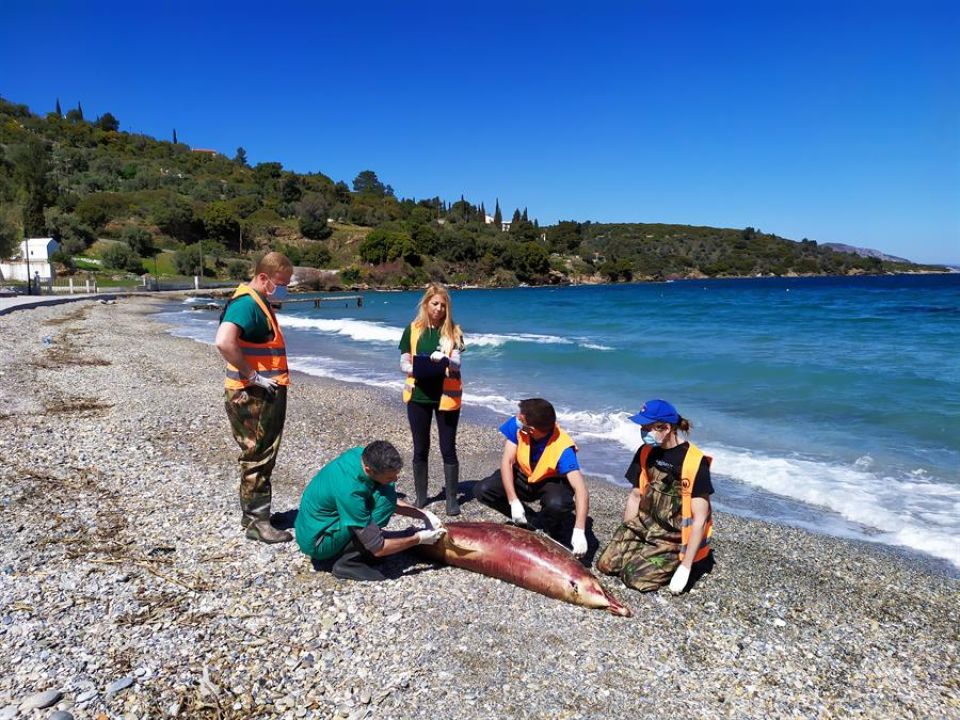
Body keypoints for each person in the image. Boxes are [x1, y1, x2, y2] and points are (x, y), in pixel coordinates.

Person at [215, 251, 295, 544]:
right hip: (254, 395)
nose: (285, 289)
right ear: (264, 278)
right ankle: (258, 523)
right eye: (282, 283)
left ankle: (252, 515)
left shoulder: (257, 302)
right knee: (259, 456)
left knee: (258, 455)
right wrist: (253, 375)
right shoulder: (248, 303)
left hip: (259, 393)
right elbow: (224, 341)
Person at [597, 399, 714, 594]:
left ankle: (676, 564)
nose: (643, 432)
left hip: (672, 538)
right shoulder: (645, 451)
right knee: (606, 565)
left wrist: (685, 567)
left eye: (647, 427)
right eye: (642, 427)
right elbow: (635, 495)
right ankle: (643, 552)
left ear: (666, 428)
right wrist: (626, 532)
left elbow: (700, 519)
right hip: (644, 527)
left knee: (633, 577)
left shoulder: (694, 462)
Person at [294, 441, 447, 581]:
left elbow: (388, 498)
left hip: (314, 525)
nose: (395, 479)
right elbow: (379, 548)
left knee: (385, 493)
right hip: (318, 541)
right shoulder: (351, 493)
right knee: (383, 503)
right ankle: (348, 563)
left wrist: (423, 514)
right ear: (369, 469)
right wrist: (418, 538)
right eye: (389, 477)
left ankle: (357, 548)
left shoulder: (361, 455)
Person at [473, 398, 590, 557]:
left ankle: (551, 527)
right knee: (483, 489)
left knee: (558, 504)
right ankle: (530, 522)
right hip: (523, 476)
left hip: (549, 482)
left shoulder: (563, 447)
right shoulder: (518, 425)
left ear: (532, 429)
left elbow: (581, 489)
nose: (517, 418)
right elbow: (507, 462)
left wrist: (579, 530)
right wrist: (513, 500)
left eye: (521, 419)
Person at [399, 283, 465, 515]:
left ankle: (451, 499)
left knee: (448, 447)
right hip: (419, 395)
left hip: (446, 398)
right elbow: (403, 361)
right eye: (434, 304)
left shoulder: (454, 331)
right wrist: (415, 368)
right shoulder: (413, 329)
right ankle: (421, 497)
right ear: (426, 304)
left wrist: (444, 360)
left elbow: (457, 361)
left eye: (443, 305)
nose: (438, 309)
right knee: (420, 447)